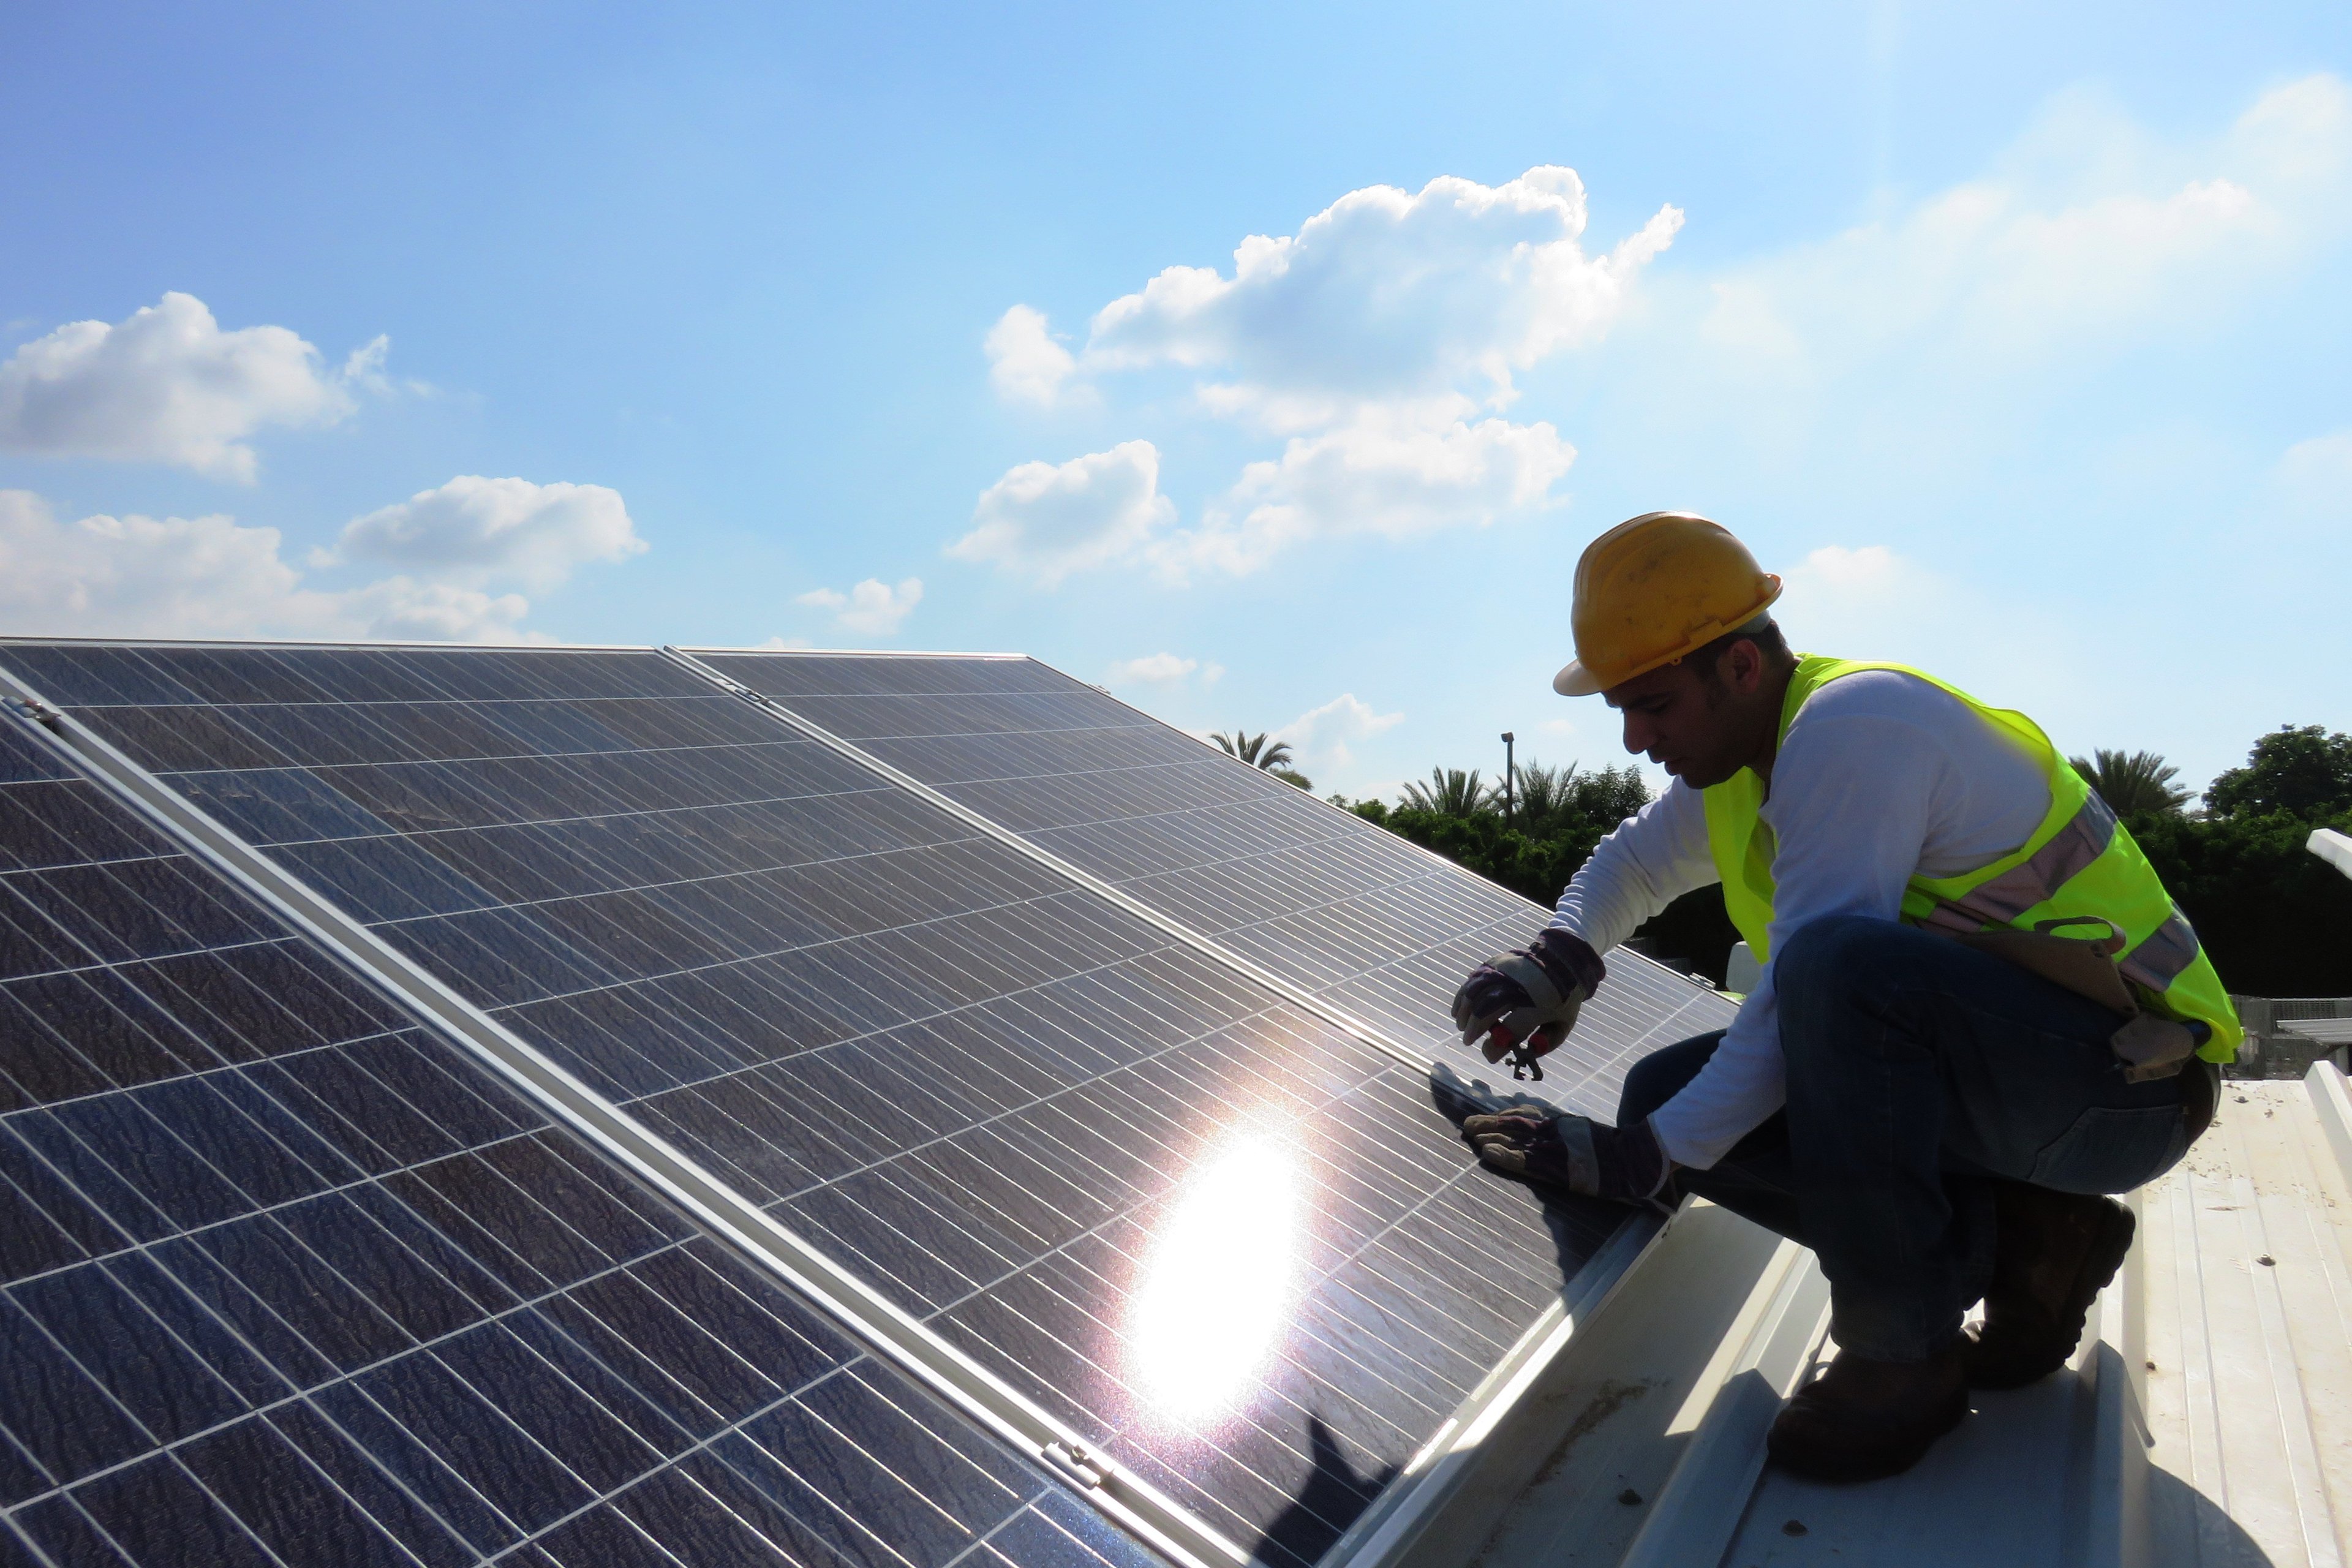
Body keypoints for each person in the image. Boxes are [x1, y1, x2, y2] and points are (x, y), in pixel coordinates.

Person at [1449, 512, 2235, 1483]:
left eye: (1651, 703)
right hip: (2033, 1081)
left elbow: (1803, 996)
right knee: (1667, 1094)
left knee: (1829, 979)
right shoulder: (1749, 756)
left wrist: (1648, 1163)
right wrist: (1556, 958)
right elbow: (1636, 862)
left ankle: (1904, 1356)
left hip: (2129, 1089)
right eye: (1620, 708)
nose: (1634, 737)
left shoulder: (1858, 729)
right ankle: (2030, 1244)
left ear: (1739, 667)